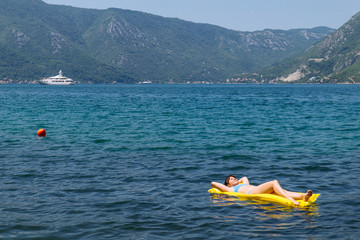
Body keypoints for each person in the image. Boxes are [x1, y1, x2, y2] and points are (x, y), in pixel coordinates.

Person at [211, 175, 313, 206]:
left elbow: (244, 177)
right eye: (232, 179)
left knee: (280, 190)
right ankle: (292, 200)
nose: (235, 179)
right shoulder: (230, 189)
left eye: (235, 178)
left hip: (257, 189)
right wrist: (227, 185)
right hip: (253, 193)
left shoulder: (244, 183)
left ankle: (302, 196)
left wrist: (237, 181)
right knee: (274, 182)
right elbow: (213, 183)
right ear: (228, 184)